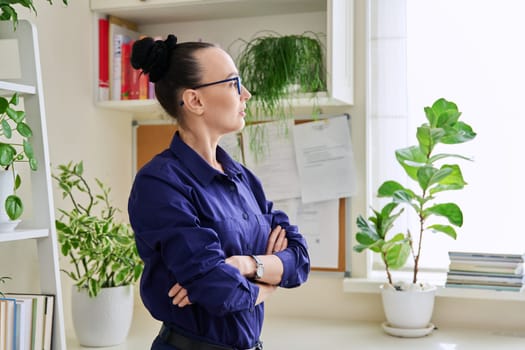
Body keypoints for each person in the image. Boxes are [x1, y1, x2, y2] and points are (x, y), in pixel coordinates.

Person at [127, 34, 311, 350]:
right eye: (233, 83)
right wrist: (268, 285)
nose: (247, 94)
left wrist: (245, 265)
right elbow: (218, 289)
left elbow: (299, 257)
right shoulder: (159, 183)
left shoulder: (243, 179)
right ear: (195, 100)